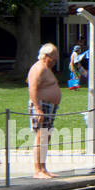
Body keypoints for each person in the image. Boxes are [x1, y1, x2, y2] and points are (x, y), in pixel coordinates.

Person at [28, 44, 63, 178]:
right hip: (41, 106)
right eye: (53, 59)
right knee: (40, 137)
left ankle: (43, 168)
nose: (54, 62)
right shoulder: (39, 68)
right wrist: (38, 109)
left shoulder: (46, 68)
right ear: (45, 56)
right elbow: (32, 88)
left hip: (49, 106)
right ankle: (37, 170)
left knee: (45, 137)